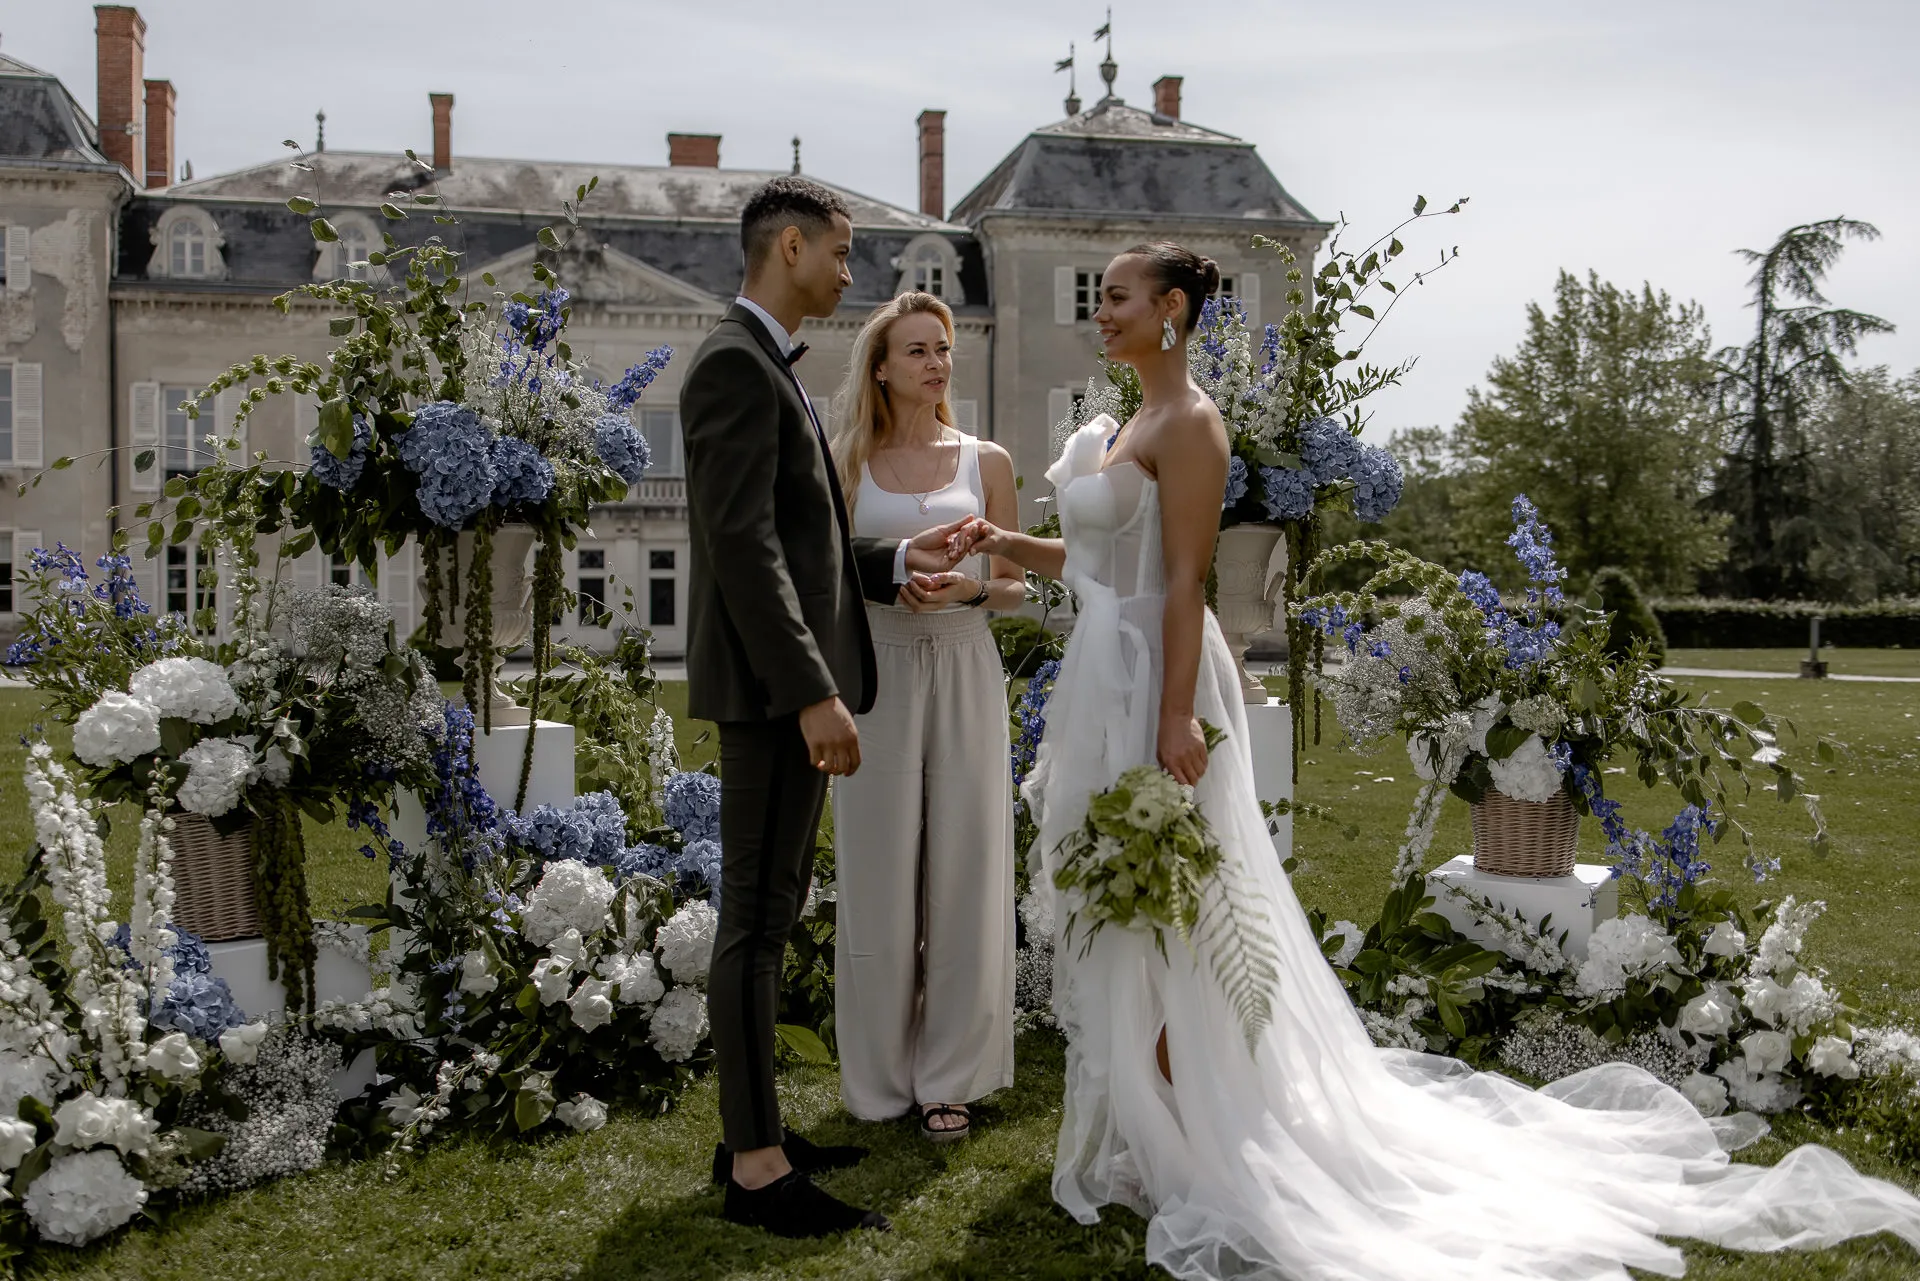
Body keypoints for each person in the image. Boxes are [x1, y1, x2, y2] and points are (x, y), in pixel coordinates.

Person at [962, 241, 1920, 1280]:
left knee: (1183, 906)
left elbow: (1187, 578)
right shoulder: (1128, 425)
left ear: (1174, 311)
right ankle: (1153, 1125)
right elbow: (1107, 563)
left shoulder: (1191, 425)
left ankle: (1198, 1129)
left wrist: (1174, 723)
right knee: (1129, 901)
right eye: (1097, 296)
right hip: (1106, 670)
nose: (1100, 312)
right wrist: (1006, 545)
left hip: (1161, 679)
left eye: (1116, 298)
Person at [680, 177, 975, 1239]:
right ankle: (757, 1168)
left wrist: (899, 558)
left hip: (782, 689)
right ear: (790, 245)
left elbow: (799, 547)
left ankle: (751, 1134)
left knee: (770, 914)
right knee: (754, 922)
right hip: (770, 698)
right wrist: (812, 692)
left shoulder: (763, 366)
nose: (852, 274)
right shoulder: (731, 366)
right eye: (843, 253)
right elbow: (745, 555)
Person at [826, 292, 1022, 1142]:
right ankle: (875, 1078)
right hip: (876, 666)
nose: (937, 362)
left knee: (966, 864)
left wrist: (970, 586)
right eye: (916, 350)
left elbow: (1018, 582)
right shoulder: (845, 461)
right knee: (875, 869)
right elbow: (827, 571)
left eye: (942, 348)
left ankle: (951, 1076)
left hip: (965, 658)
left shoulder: (987, 459)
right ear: (880, 366)